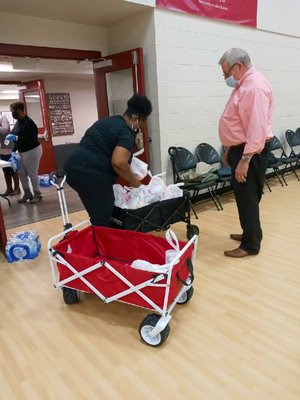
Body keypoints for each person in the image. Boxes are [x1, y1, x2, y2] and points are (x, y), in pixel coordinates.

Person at [64, 93, 152, 226]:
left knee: (99, 211)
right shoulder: (126, 132)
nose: (144, 126)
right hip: (92, 174)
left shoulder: (108, 121)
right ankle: (100, 244)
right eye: (144, 121)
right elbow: (119, 163)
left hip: (72, 168)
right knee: (102, 214)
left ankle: (103, 239)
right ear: (136, 118)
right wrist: (134, 181)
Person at [218, 48, 273, 258]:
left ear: (238, 66)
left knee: (248, 197)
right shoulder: (245, 84)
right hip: (241, 149)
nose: (225, 78)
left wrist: (245, 159)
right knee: (245, 196)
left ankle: (250, 245)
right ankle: (251, 232)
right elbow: (241, 124)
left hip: (249, 151)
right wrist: (231, 149)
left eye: (226, 73)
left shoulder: (254, 87)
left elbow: (256, 128)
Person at [5, 101, 43, 203]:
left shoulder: (29, 123)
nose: (13, 114)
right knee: (21, 173)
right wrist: (13, 151)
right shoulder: (18, 122)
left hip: (32, 150)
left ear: (19, 110)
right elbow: (13, 134)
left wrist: (16, 137)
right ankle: (27, 193)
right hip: (20, 151)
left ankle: (37, 194)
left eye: (13, 111)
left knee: (32, 173)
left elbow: (31, 139)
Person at [0, 114, 20, 196]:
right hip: (1, 150)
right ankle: (9, 188)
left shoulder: (3, 118)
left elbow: (5, 130)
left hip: (8, 149)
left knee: (13, 169)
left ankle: (17, 188)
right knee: (5, 170)